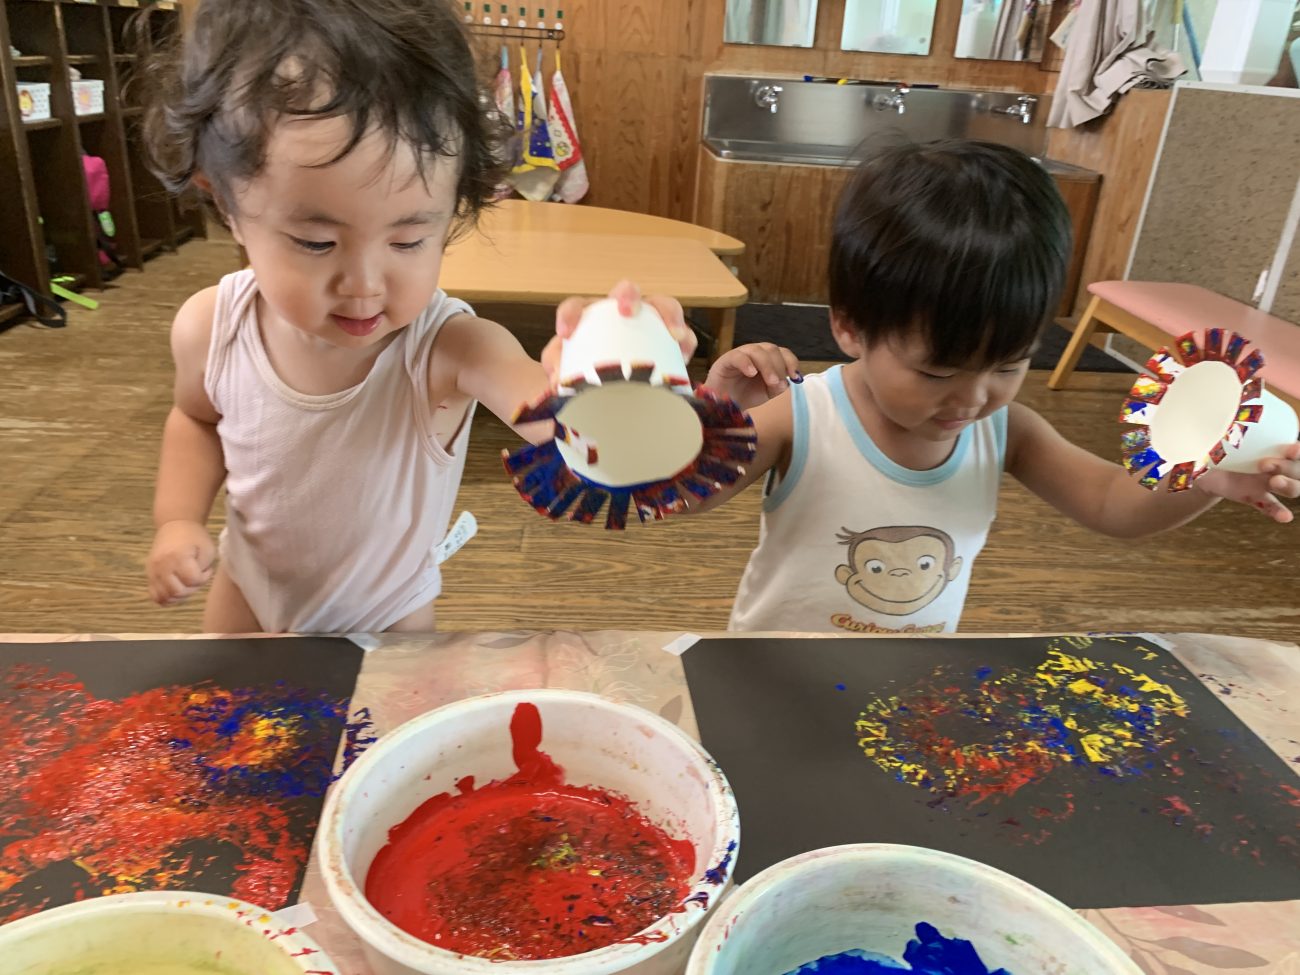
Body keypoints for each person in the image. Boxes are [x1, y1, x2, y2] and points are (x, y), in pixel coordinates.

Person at [140, 0, 691, 633]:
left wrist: (611, 374)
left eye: (408, 241)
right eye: (317, 243)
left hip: (388, 618)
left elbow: (569, 428)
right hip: (246, 590)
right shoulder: (212, 328)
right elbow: (197, 420)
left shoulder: (451, 349)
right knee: (228, 695)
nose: (365, 285)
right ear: (227, 204)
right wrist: (177, 519)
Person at [696, 140, 1300, 634]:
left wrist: (1201, 474)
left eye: (1010, 365)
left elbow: (1113, 505)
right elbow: (685, 495)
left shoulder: (1008, 433)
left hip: (912, 684)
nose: (973, 398)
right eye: (937, 372)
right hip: (775, 672)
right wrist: (717, 417)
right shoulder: (802, 414)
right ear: (850, 327)